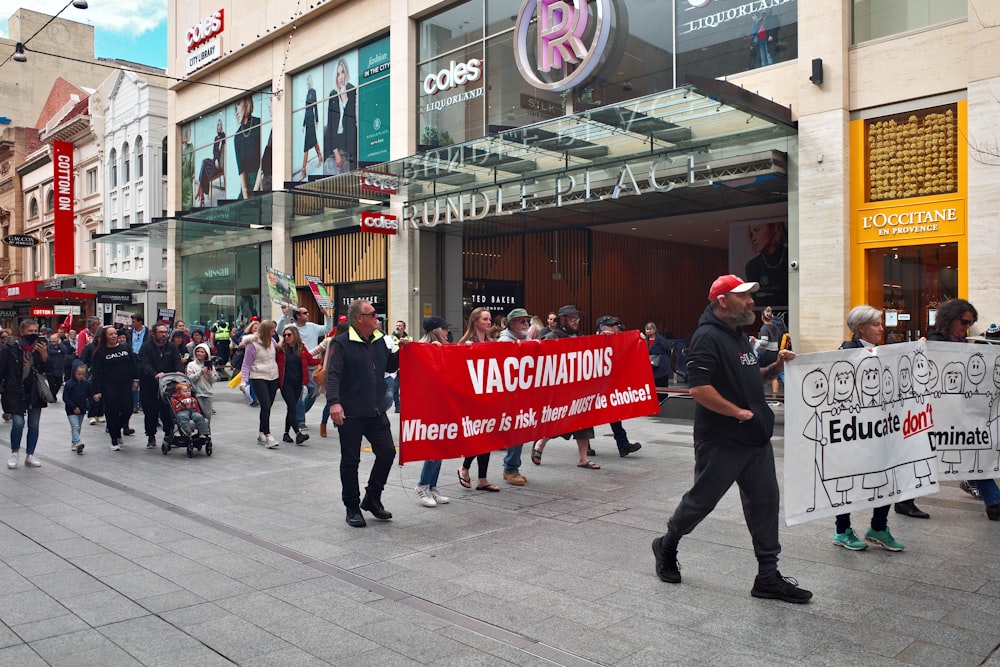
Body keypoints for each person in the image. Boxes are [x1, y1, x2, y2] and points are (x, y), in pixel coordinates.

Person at [651, 274, 811, 604]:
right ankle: (667, 544)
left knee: (765, 505)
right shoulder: (706, 337)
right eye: (744, 296)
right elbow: (699, 389)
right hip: (722, 440)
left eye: (751, 295)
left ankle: (767, 576)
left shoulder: (738, 336)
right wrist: (736, 412)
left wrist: (775, 367)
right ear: (723, 301)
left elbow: (749, 376)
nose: (752, 301)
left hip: (754, 440)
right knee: (700, 502)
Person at [832, 305, 907, 551]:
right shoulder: (847, 350)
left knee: (886, 475)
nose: (882, 329)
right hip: (855, 431)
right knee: (848, 480)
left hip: (880, 428)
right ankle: (842, 530)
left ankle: (878, 526)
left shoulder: (880, 351)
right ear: (861, 328)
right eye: (876, 324)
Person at [326, 299, 402, 527]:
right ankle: (352, 506)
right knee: (351, 461)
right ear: (359, 318)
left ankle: (372, 497)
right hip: (350, 413)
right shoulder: (341, 343)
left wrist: (403, 351)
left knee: (387, 452)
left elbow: (389, 366)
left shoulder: (380, 341)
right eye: (373, 314)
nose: (377, 318)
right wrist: (334, 403)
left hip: (376, 410)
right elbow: (333, 375)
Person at [927, 298, 1000, 521]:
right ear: (949, 319)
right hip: (940, 411)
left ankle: (994, 502)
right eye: (964, 322)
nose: (966, 327)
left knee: (972, 450)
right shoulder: (935, 340)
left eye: (970, 323)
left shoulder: (963, 341)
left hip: (962, 409)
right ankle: (994, 502)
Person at [533, 305, 600, 470]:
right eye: (572, 318)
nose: (576, 322)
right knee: (559, 420)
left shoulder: (580, 336)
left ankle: (583, 459)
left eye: (577, 319)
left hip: (579, 388)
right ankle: (540, 444)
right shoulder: (552, 337)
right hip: (561, 389)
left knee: (584, 422)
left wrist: (605, 338)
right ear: (563, 319)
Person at [457, 307, 501, 492]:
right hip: (472, 398)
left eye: (489, 319)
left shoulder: (491, 342)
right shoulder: (466, 343)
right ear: (476, 321)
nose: (489, 322)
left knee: (488, 437)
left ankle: (482, 478)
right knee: (479, 437)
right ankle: (465, 467)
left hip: (488, 396)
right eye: (485, 319)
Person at [414, 316, 453, 507]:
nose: (448, 332)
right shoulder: (422, 348)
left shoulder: (443, 347)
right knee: (434, 446)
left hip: (442, 401)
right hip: (429, 404)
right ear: (436, 330)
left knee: (441, 446)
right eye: (445, 328)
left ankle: (432, 485)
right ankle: (423, 484)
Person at [2, 319, 52, 469]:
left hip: (34, 391)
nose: (33, 334)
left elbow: (49, 369)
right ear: (22, 332)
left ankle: (30, 454)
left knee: (34, 425)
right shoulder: (11, 349)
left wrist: (44, 355)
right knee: (18, 423)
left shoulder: (39, 349)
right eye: (30, 331)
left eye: (36, 331)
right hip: (16, 391)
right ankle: (14, 452)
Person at [496, 308, 537, 486]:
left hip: (521, 395)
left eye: (527, 321)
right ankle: (510, 469)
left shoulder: (526, 340)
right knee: (515, 432)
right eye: (521, 321)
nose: (526, 324)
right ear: (511, 323)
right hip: (508, 396)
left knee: (518, 432)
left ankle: (512, 467)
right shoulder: (505, 341)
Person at [277, 304, 332, 431]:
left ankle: (299, 412)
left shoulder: (312, 326)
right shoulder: (291, 328)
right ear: (297, 315)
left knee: (314, 391)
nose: (308, 315)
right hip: (297, 364)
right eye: (305, 313)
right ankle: (300, 420)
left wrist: (326, 314)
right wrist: (283, 315)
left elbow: (327, 328)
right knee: (299, 394)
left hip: (311, 364)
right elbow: (280, 330)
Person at [596, 316, 643, 458]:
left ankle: (623, 445)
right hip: (593, 386)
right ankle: (584, 446)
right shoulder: (594, 340)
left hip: (609, 384)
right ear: (602, 327)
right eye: (612, 325)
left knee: (614, 414)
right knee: (586, 417)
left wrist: (638, 338)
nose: (616, 328)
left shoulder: (615, 339)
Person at [90, 326, 140, 452]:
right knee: (112, 411)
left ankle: (119, 427)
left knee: (127, 409)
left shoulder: (125, 348)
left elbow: (133, 364)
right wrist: (96, 391)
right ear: (105, 337)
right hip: (109, 385)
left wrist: (135, 379)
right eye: (110, 334)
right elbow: (96, 372)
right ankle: (114, 437)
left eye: (115, 334)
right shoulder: (100, 352)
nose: (113, 336)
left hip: (125, 383)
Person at [138, 322, 184, 449]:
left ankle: (169, 434)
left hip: (167, 385)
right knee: (150, 412)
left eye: (165, 332)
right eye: (161, 332)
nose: (164, 335)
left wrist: (179, 371)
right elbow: (144, 364)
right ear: (153, 334)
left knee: (168, 411)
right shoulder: (146, 347)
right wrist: (155, 374)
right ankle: (151, 435)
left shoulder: (171, 347)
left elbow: (177, 360)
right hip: (150, 384)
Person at [240, 319, 280, 448]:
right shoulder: (252, 344)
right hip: (258, 376)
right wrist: (244, 381)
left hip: (273, 376)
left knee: (267, 407)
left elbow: (279, 349)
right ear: (266, 331)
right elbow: (246, 364)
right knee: (266, 405)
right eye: (272, 331)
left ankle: (261, 432)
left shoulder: (272, 341)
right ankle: (268, 435)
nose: (274, 333)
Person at [277, 325, 315, 444]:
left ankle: (286, 434)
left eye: (289, 335)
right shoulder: (281, 350)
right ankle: (298, 434)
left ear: (295, 335)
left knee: (291, 409)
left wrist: (324, 361)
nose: (286, 337)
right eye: (285, 335)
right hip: (285, 383)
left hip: (298, 383)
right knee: (293, 407)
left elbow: (310, 361)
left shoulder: (301, 348)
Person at [311, 320, 349, 438]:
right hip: (331, 375)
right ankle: (323, 424)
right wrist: (303, 355)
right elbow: (316, 350)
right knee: (330, 403)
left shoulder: (350, 343)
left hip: (345, 376)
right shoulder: (330, 341)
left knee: (343, 401)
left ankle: (340, 423)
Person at [324, 57, 357, 176]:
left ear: (346, 72)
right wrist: (336, 151)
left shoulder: (352, 90)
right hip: (335, 143)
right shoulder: (332, 95)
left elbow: (352, 121)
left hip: (348, 142)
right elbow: (330, 125)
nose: (341, 77)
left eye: (342, 72)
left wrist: (345, 101)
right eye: (338, 74)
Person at [744, 222, 788, 308]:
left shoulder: (793, 257)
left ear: (774, 227)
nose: (753, 238)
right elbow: (759, 303)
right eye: (751, 234)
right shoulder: (752, 266)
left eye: (757, 230)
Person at [233, 94, 261, 199]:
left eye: (239, 105)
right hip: (246, 186)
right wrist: (246, 196)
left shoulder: (259, 124)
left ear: (247, 102)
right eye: (235, 108)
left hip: (259, 179)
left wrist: (255, 191)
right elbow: (241, 169)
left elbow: (263, 159)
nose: (236, 111)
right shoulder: (237, 136)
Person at [186, 343, 218, 427]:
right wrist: (200, 373)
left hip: (208, 393)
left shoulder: (210, 365)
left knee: (207, 416)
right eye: (198, 351)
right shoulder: (191, 365)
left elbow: (214, 380)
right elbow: (190, 378)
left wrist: (210, 374)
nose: (199, 353)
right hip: (196, 393)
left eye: (202, 352)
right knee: (198, 416)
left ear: (206, 353)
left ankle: (207, 434)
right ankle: (200, 434)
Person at [757, 306, 788, 395]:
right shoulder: (775, 326)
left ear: (762, 317)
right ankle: (775, 397)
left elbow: (764, 342)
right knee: (775, 376)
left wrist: (756, 341)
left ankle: (762, 396)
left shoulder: (764, 328)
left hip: (766, 353)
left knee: (763, 375)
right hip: (775, 351)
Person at [196, 118, 226, 207]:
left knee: (205, 168)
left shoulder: (223, 136)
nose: (219, 126)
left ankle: (200, 193)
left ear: (222, 126)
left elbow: (219, 149)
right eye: (218, 125)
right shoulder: (215, 137)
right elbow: (214, 150)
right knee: (204, 162)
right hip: (214, 160)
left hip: (217, 162)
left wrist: (217, 159)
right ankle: (201, 192)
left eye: (220, 125)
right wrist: (215, 158)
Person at [63, 360, 90, 454]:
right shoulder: (69, 384)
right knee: (75, 426)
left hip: (82, 409)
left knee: (78, 427)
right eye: (79, 374)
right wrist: (73, 407)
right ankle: (78, 442)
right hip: (71, 410)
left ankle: (74, 442)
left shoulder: (86, 384)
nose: (81, 376)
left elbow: (89, 394)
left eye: (83, 374)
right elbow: (65, 398)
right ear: (74, 372)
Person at [299, 75, 322, 179]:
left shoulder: (313, 91)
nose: (307, 86)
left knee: (306, 146)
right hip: (307, 120)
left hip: (312, 119)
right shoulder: (307, 93)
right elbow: (306, 109)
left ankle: (303, 171)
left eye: (308, 84)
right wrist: (303, 124)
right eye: (306, 84)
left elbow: (315, 106)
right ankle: (320, 157)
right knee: (314, 141)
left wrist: (317, 121)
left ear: (311, 83)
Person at [126, 314, 148, 413]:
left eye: (134, 321)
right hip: (132, 357)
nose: (132, 323)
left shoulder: (148, 332)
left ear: (140, 322)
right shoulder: (129, 332)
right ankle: (134, 404)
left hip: (143, 358)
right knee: (133, 381)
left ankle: (143, 404)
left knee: (143, 382)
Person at [644, 322, 674, 388]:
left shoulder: (661, 340)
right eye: (647, 329)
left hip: (661, 368)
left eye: (650, 329)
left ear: (654, 330)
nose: (648, 331)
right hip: (650, 367)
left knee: (662, 388)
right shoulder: (644, 340)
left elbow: (668, 349)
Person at [46, 332, 71, 399]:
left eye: (54, 339)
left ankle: (53, 394)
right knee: (52, 384)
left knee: (59, 382)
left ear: (58, 340)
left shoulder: (61, 345)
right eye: (52, 339)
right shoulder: (49, 345)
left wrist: (60, 344)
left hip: (59, 368)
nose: (53, 341)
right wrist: (57, 352)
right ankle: (52, 396)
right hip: (51, 368)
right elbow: (49, 351)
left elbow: (65, 351)